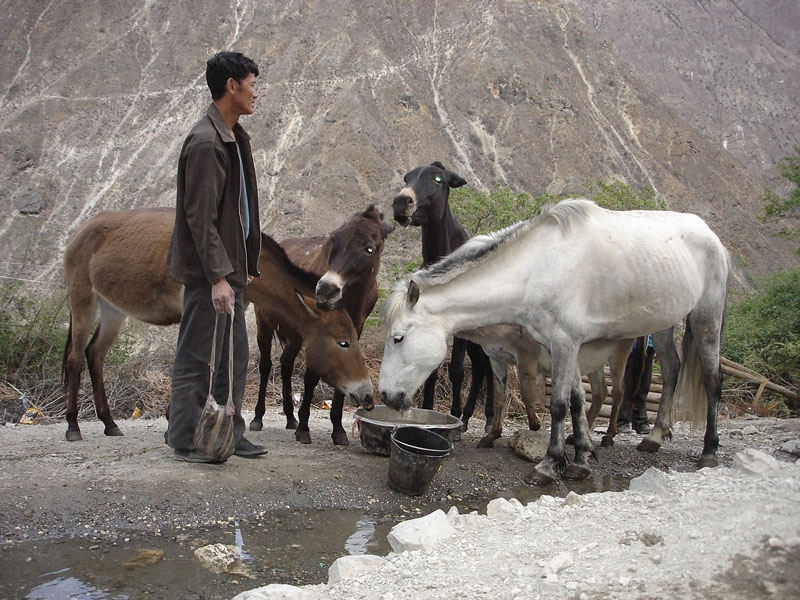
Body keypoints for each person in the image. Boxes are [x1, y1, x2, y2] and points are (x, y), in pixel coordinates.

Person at [166, 51, 267, 463]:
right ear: (231, 86)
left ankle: (226, 430)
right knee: (197, 354)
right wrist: (217, 277)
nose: (256, 92)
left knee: (233, 353)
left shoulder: (232, 135)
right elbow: (199, 218)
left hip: (231, 268)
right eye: (252, 84)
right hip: (214, 272)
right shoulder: (207, 142)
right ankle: (185, 437)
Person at [617, 335, 653, 435]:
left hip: (649, 345)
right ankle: (622, 421)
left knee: (644, 386)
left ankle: (640, 421)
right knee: (628, 384)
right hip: (633, 345)